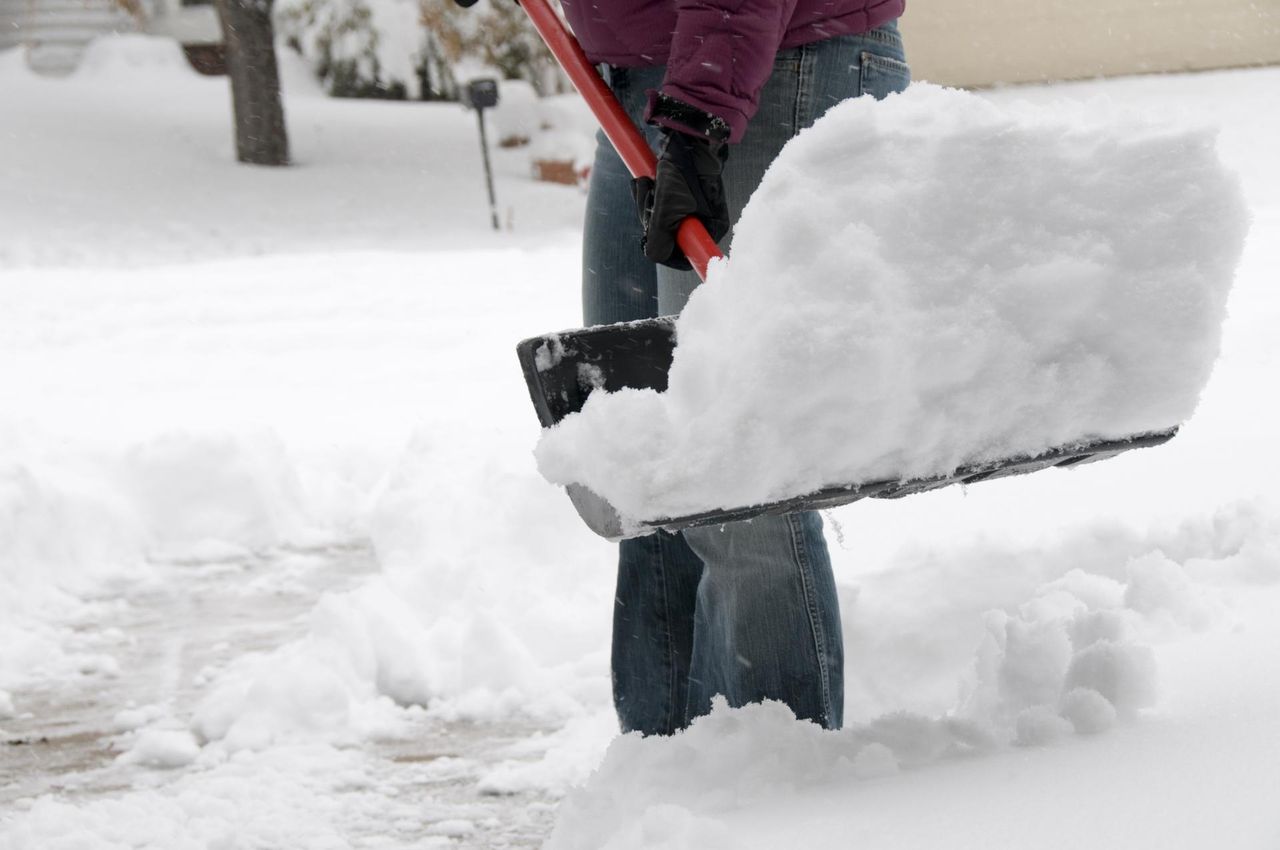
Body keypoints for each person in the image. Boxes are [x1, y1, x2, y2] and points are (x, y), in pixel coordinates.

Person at [557, 0, 911, 736]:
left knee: (735, 462)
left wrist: (698, 120)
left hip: (769, 63)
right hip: (645, 75)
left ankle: (771, 781)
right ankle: (667, 770)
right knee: (639, 444)